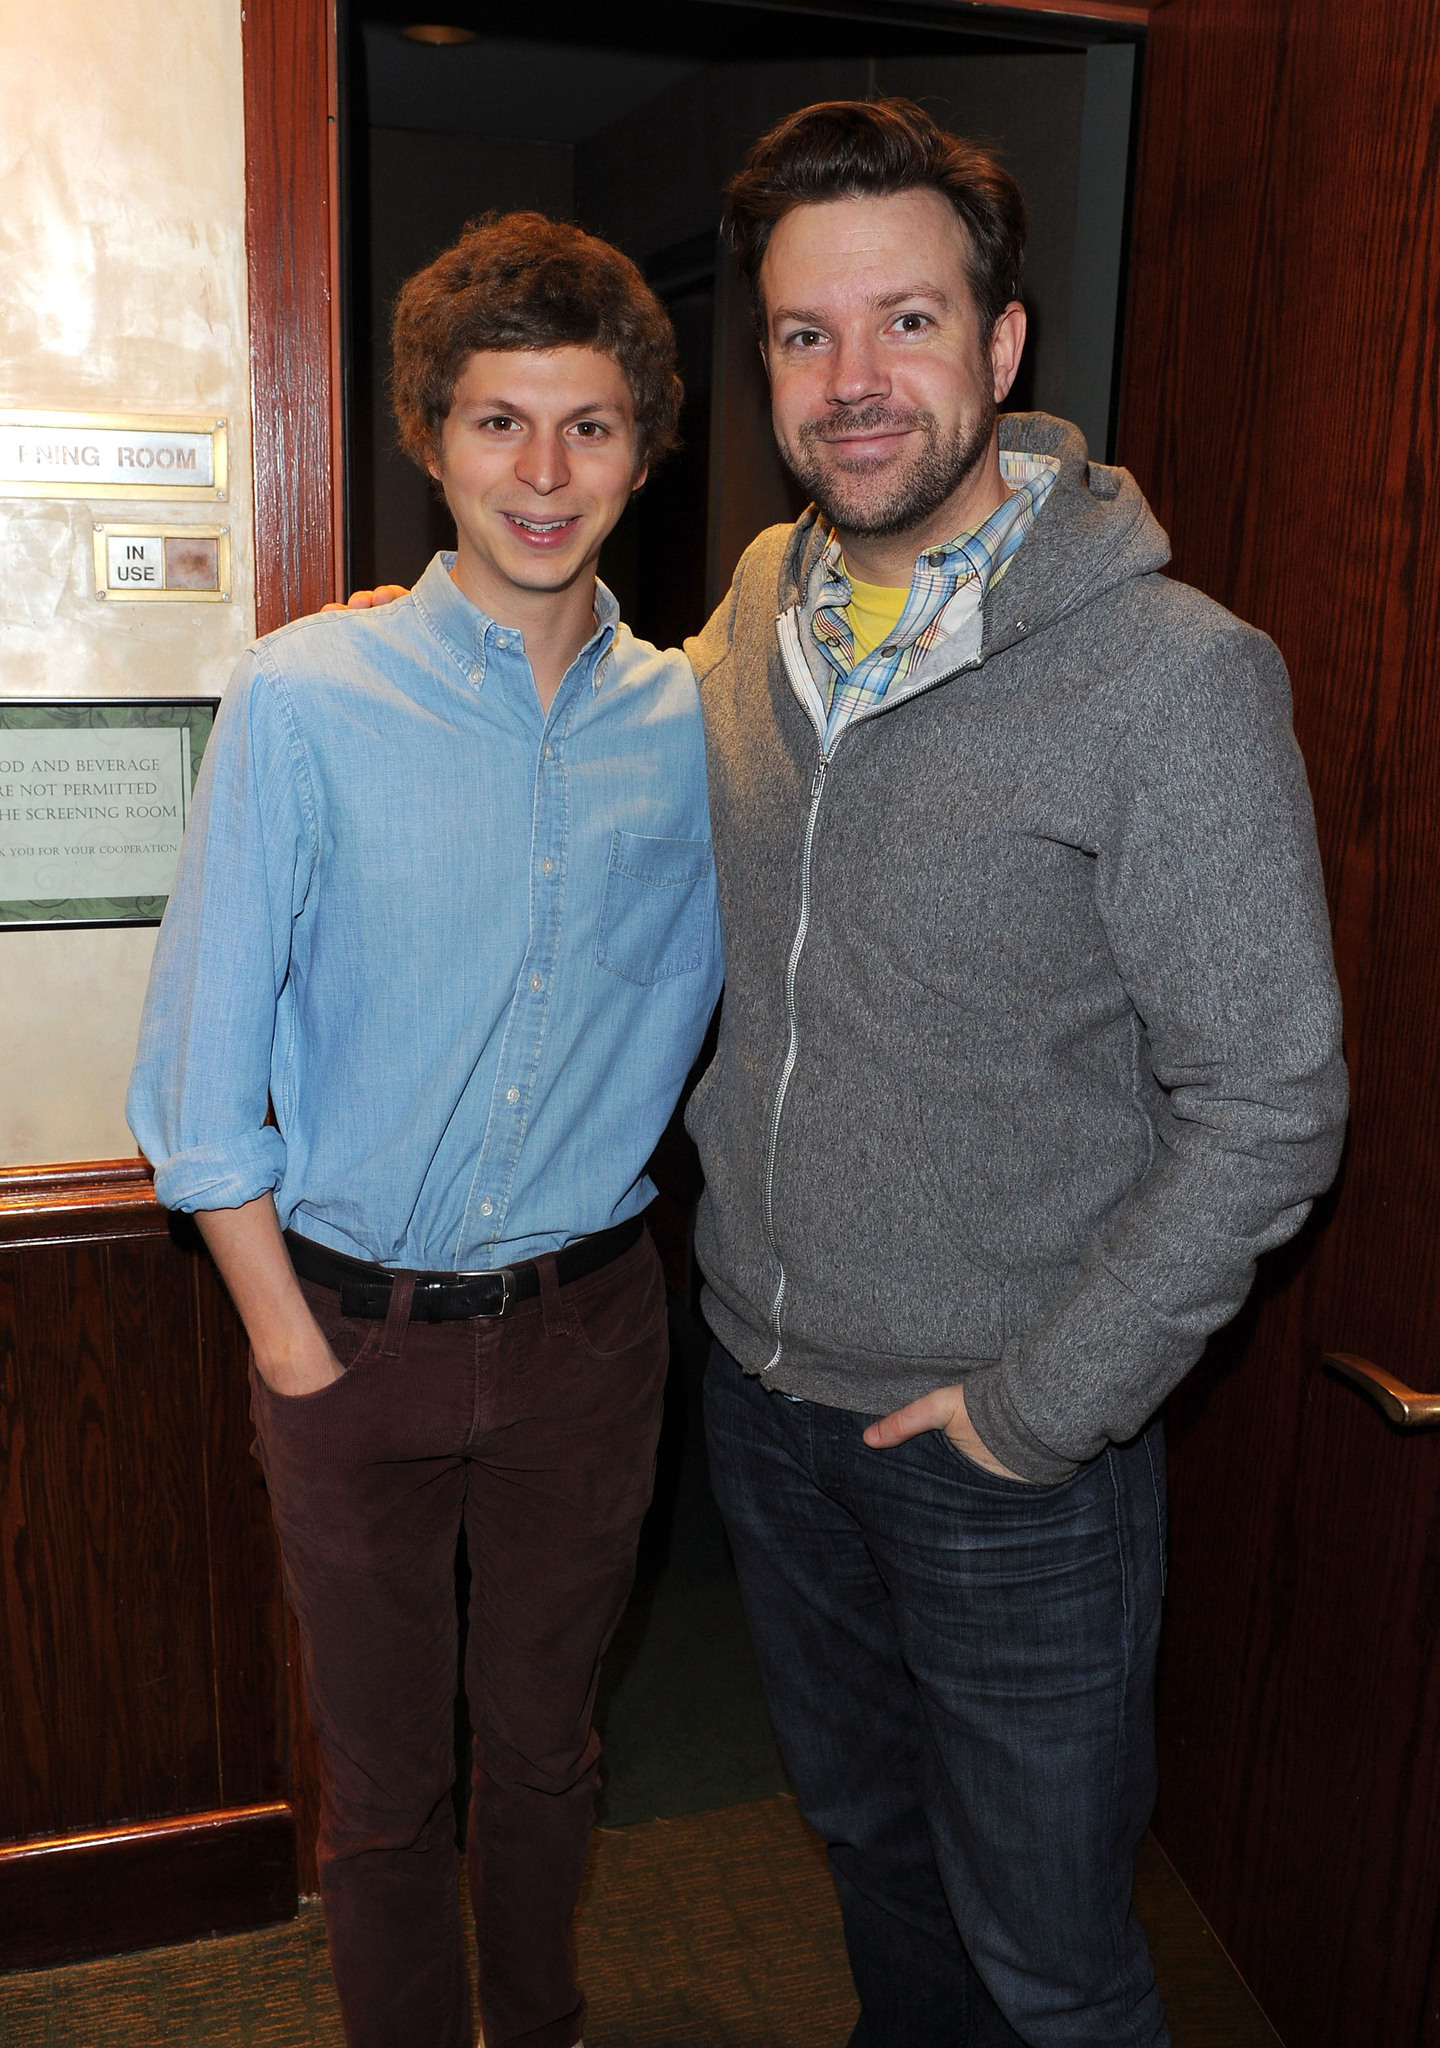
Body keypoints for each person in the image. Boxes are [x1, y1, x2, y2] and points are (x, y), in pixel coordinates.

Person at [684, 99, 1348, 2048]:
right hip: (769, 1412)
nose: (854, 380)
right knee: (877, 1868)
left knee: (1055, 1957)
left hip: (1008, 1454)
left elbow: (1272, 1102)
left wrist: (1042, 1407)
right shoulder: (749, 617)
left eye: (906, 321)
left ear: (1003, 346)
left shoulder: (1168, 673)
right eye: (807, 335)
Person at [126, 211, 722, 2048]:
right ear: (427, 435)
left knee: (548, 1756)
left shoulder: (695, 720)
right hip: (348, 1341)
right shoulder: (309, 696)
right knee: (385, 1792)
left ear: (646, 444)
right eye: (497, 424)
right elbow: (195, 1085)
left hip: (593, 1335)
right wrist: (298, 1351)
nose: (544, 477)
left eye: (591, 427)